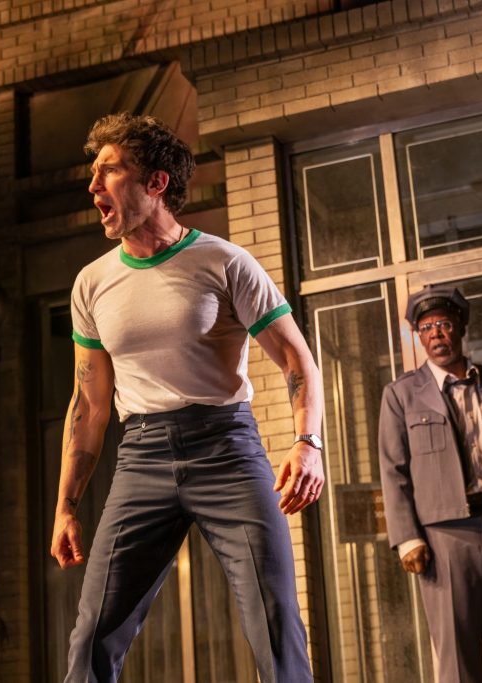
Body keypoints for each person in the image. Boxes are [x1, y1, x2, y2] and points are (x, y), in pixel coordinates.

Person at [50, 113, 324, 683]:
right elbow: (89, 407)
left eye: (109, 172)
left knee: (275, 622)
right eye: (93, 174)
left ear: (155, 184)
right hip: (141, 459)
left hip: (226, 448)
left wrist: (308, 442)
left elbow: (297, 358)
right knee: (92, 634)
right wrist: (66, 506)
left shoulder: (224, 262)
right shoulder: (91, 283)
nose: (93, 186)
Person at [378, 285, 482, 683]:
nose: (436, 333)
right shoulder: (401, 395)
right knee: (456, 653)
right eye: (427, 327)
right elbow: (392, 469)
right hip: (443, 534)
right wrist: (408, 538)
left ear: (460, 328)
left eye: (444, 324)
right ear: (418, 336)